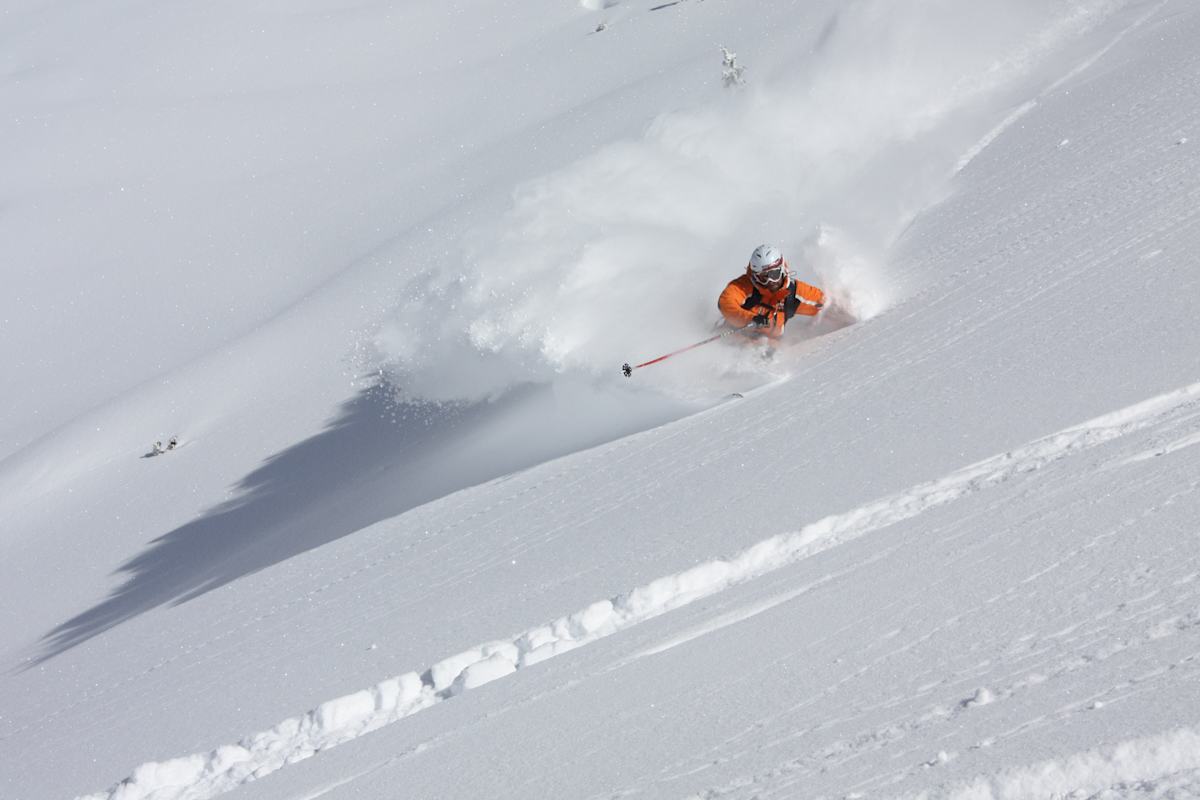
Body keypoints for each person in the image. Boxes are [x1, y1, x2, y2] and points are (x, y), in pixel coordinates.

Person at [718, 244, 825, 339]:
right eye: (763, 277)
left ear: (782, 269)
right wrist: (750, 319)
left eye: (774, 274)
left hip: (771, 346)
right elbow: (725, 303)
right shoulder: (744, 286)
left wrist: (840, 307)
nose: (770, 281)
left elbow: (823, 304)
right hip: (735, 339)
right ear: (755, 276)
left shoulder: (794, 293)